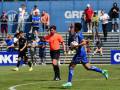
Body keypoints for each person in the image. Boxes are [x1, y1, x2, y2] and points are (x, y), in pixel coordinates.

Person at [62, 23, 108, 87]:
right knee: (88, 67)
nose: (73, 28)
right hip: (81, 52)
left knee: (71, 66)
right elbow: (82, 42)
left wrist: (76, 45)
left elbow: (84, 42)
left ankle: (69, 83)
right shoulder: (76, 34)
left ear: (77, 28)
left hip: (80, 53)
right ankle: (103, 71)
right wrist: (73, 47)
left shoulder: (79, 34)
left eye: (74, 27)